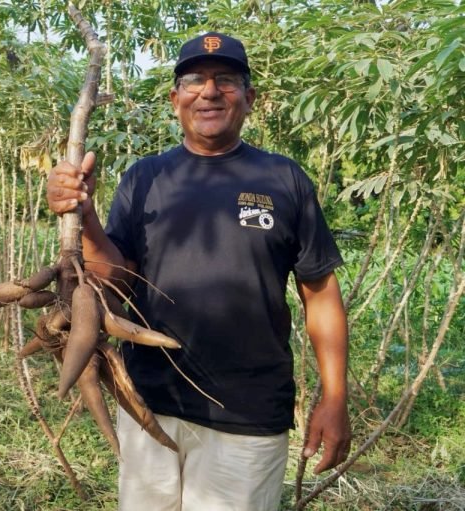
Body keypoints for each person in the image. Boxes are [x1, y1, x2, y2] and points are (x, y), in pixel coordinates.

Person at [47, 32, 351, 510]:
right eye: (194, 80)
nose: (209, 92)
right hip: (149, 402)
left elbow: (321, 292)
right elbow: (115, 283)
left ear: (250, 99)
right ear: (175, 100)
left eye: (226, 80)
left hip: (248, 411)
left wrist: (335, 397)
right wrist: (83, 218)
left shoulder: (284, 179)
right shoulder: (144, 179)